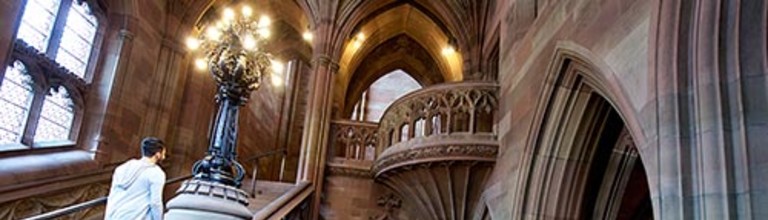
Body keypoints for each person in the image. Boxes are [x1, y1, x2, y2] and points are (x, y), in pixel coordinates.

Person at [105, 137, 167, 220]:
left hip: (113, 215)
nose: (164, 157)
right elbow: (155, 203)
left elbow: (112, 195)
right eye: (163, 153)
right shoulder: (156, 173)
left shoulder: (122, 167)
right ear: (158, 154)